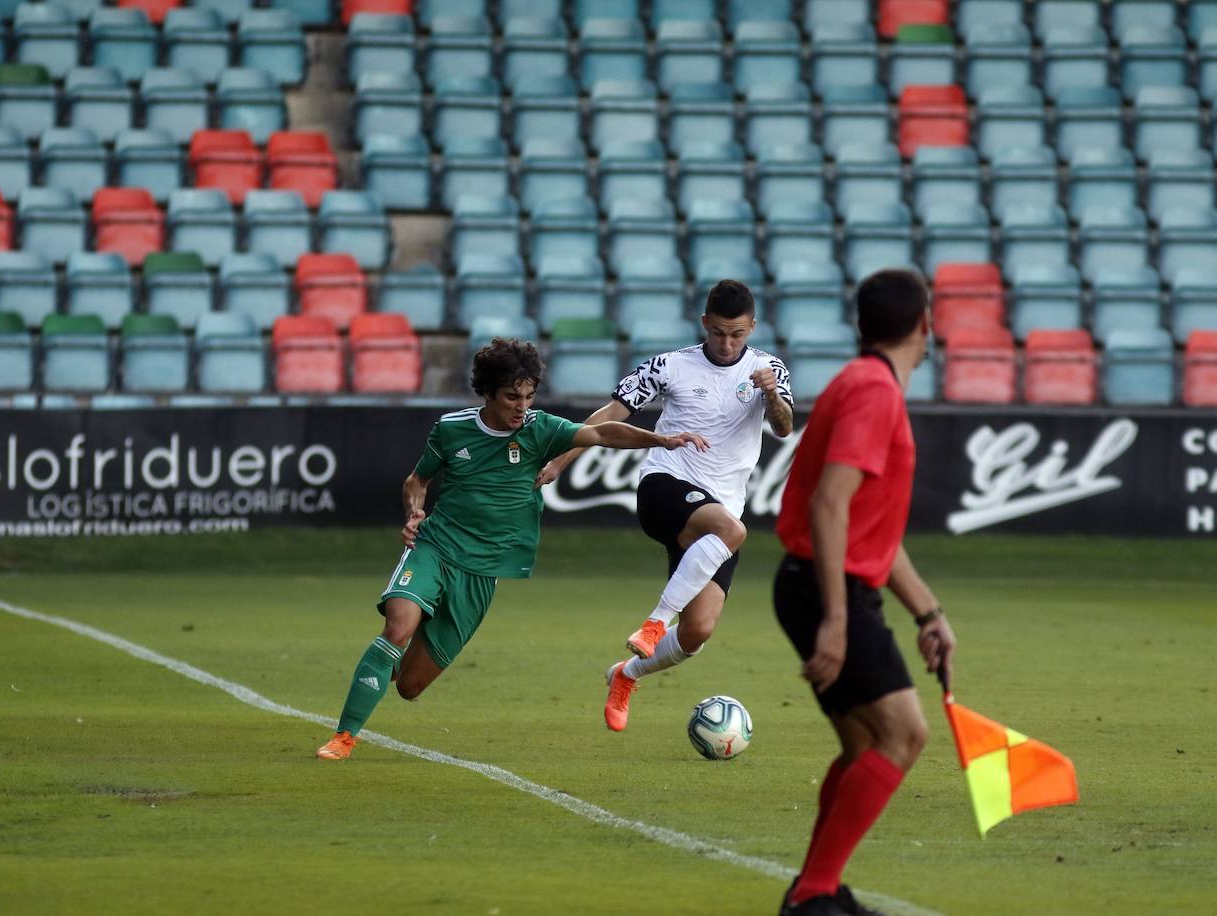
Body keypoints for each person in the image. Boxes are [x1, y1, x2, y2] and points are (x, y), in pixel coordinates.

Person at [316, 337, 709, 761]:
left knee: (410, 686)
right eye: (510, 397)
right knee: (397, 625)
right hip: (436, 547)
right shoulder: (452, 429)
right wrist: (414, 513)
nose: (521, 406)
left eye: (528, 395)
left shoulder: (541, 429)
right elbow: (417, 481)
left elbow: (599, 432)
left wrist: (661, 439)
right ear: (487, 393)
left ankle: (387, 662)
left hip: (483, 573)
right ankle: (345, 736)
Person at [770, 269, 957, 916]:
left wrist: (928, 612)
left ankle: (816, 891)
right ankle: (814, 895)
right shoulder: (875, 392)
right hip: (827, 589)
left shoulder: (861, 383)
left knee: (862, 747)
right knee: (904, 736)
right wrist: (838, 619)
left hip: (821, 584)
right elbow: (829, 507)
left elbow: (866, 528)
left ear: (860, 325)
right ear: (925, 327)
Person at [536, 280, 794, 732]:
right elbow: (612, 413)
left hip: (717, 509)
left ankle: (625, 675)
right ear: (704, 324)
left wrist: (771, 393)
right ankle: (654, 624)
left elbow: (784, 427)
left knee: (698, 632)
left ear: (752, 327)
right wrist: (562, 458)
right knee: (732, 532)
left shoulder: (768, 369)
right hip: (665, 485)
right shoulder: (670, 365)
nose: (728, 343)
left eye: (737, 334)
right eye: (718, 333)